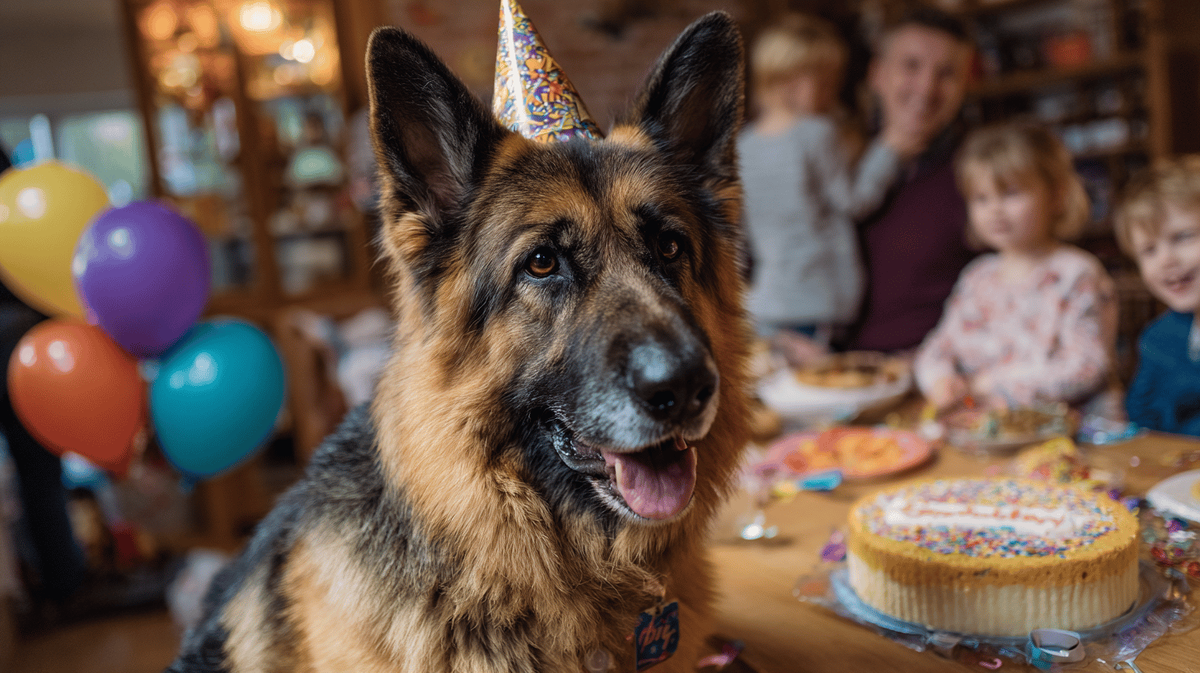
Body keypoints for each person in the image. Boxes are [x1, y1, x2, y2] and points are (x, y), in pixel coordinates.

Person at [739, 13, 922, 365]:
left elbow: (743, 231)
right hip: (819, 301)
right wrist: (889, 150)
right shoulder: (815, 132)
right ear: (788, 81)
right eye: (824, 82)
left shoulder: (743, 144)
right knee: (825, 389)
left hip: (768, 303)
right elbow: (854, 201)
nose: (831, 93)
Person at [913, 123, 1119, 414]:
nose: (995, 209)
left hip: (1068, 433)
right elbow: (939, 346)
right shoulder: (977, 277)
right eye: (981, 198)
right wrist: (940, 379)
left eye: (1010, 194)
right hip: (986, 430)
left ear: (1056, 196)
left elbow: (1086, 367)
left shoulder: (1076, 274)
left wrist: (994, 384)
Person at [842, 6, 978, 353]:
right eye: (911, 65)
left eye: (947, 73)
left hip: (935, 377)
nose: (927, 87)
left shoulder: (979, 176)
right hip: (831, 374)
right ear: (877, 74)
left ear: (964, 86)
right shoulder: (830, 164)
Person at [1115, 156, 1200, 435]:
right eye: (1148, 250)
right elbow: (1142, 419)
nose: (1166, 260)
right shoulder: (1157, 339)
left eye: (1183, 236)